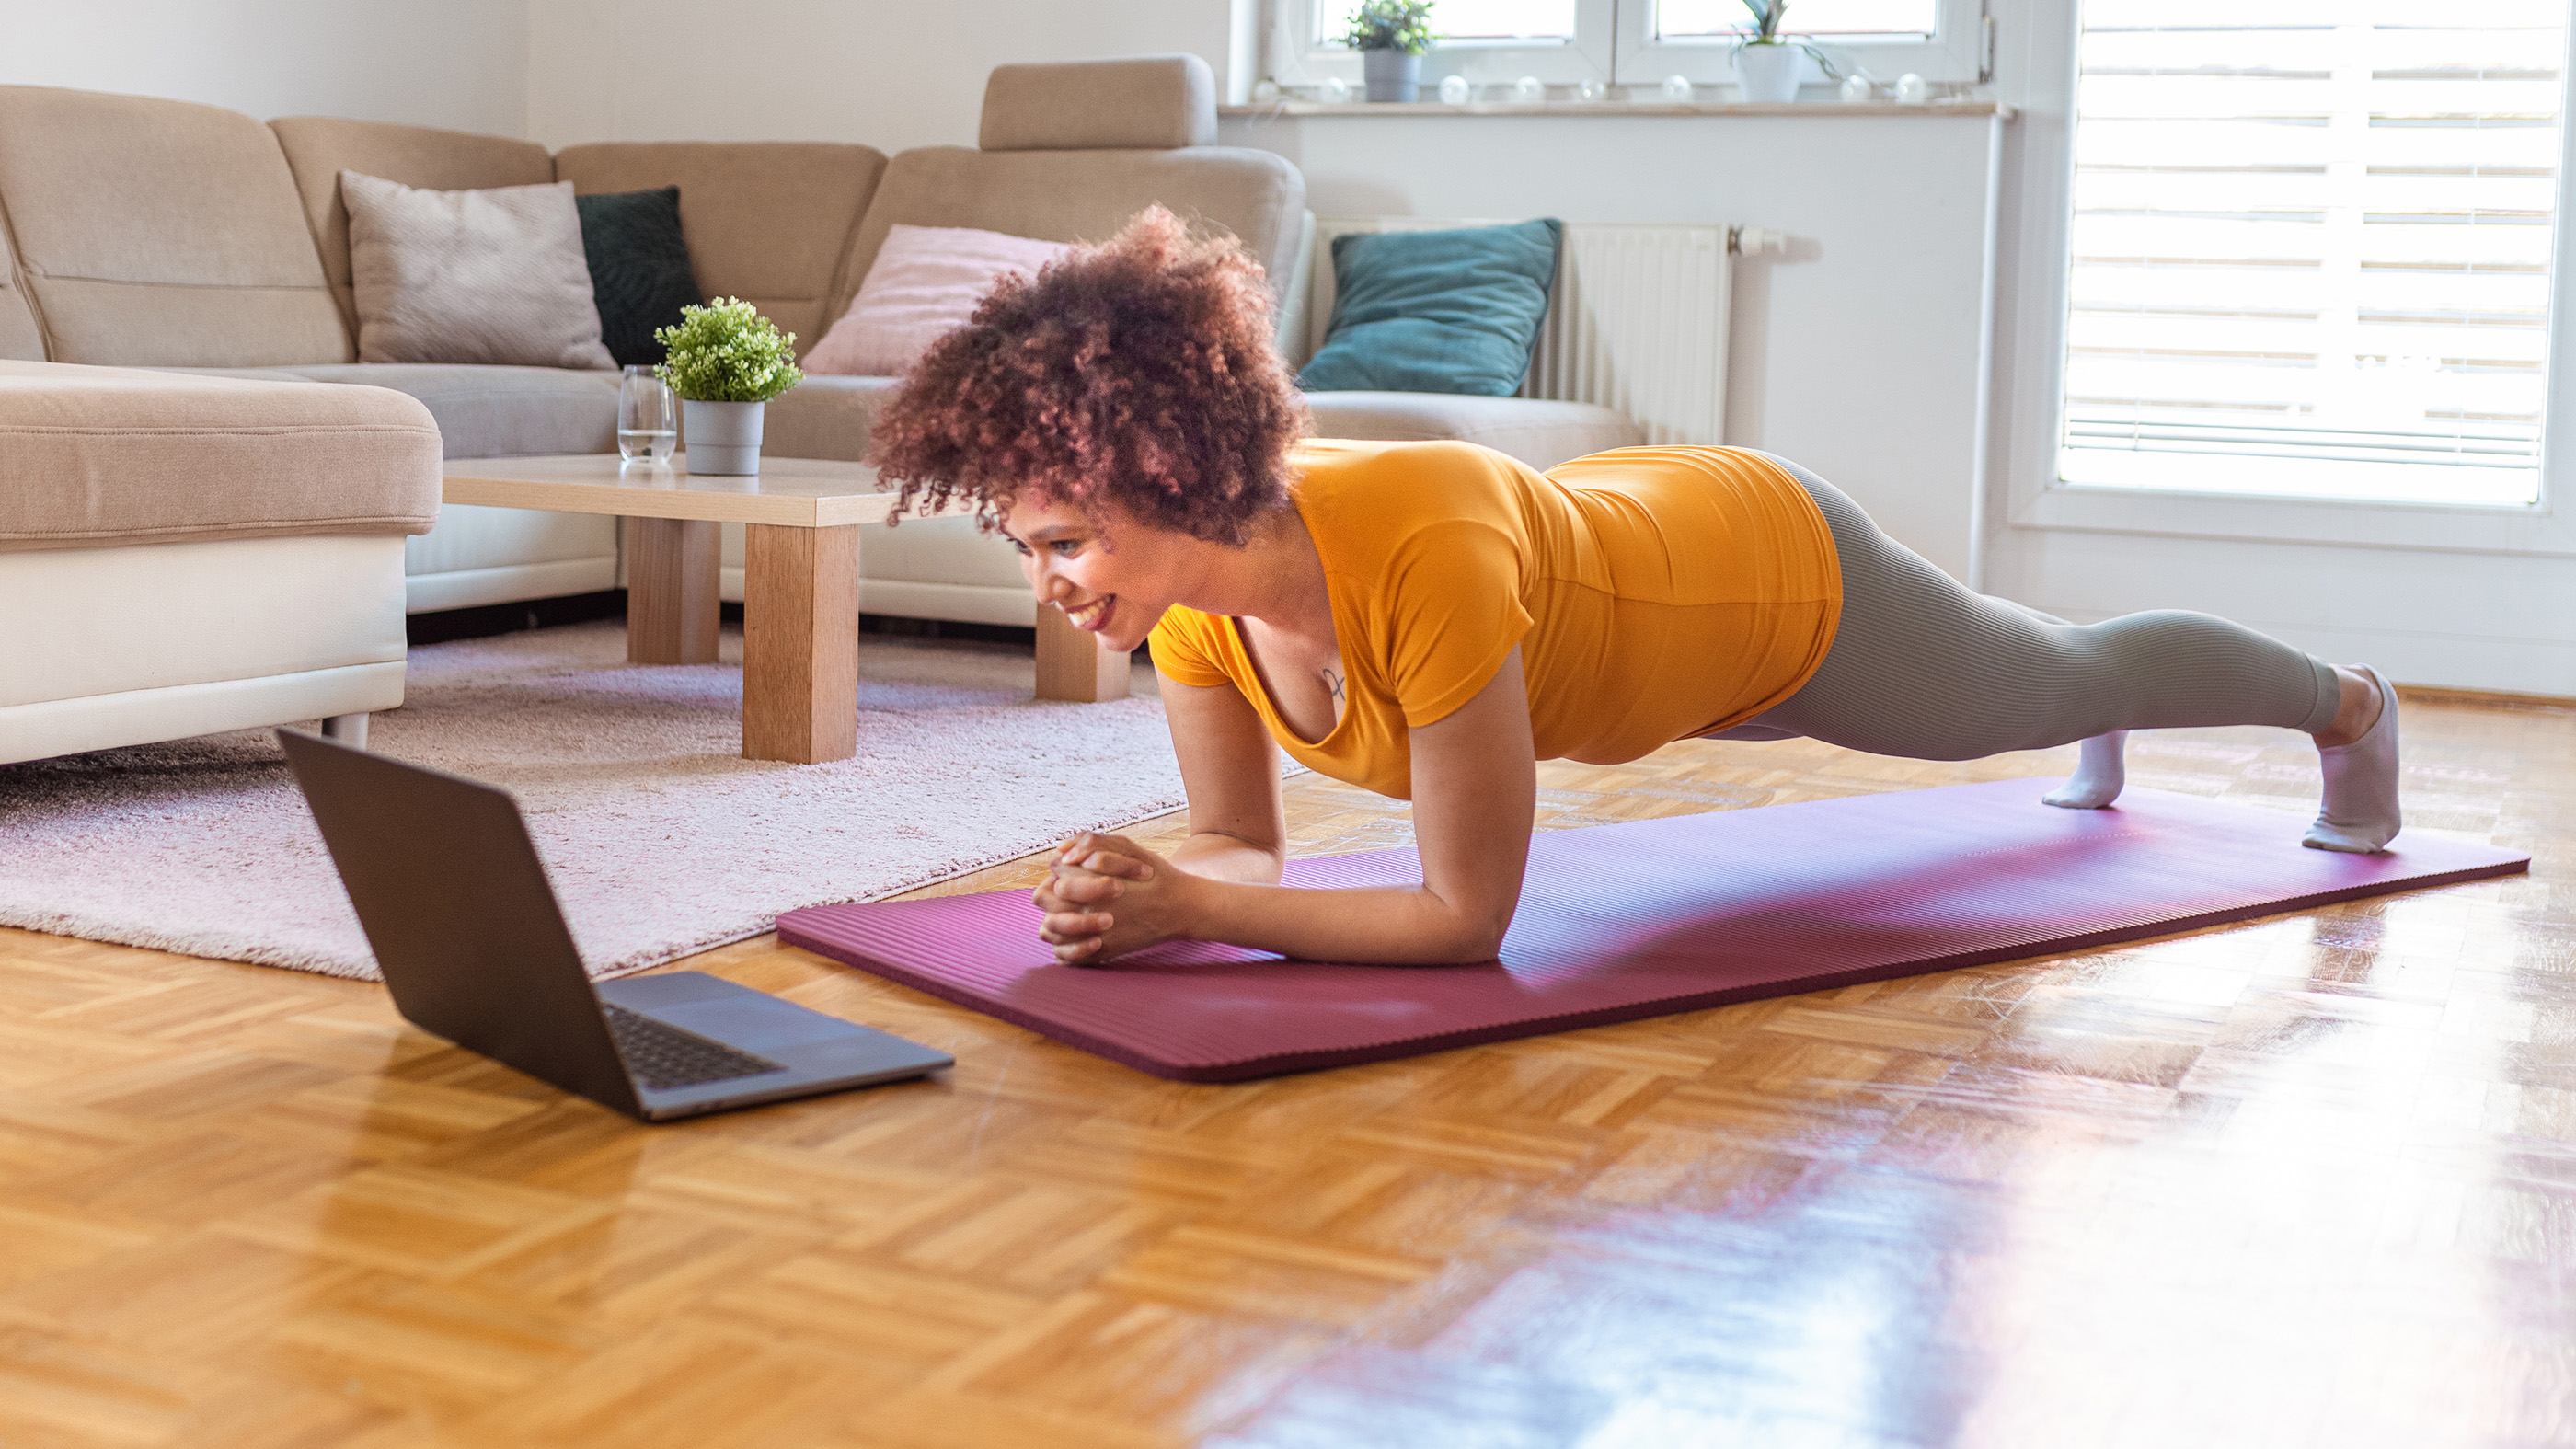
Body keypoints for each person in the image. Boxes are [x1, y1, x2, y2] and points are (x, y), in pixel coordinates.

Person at [868, 209, 2402, 968]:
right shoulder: (1188, 603)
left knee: (2063, 676)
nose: (1051, 582)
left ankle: (2347, 704)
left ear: (1168, 478)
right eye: (1028, 547)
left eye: (1066, 540)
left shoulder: (1420, 544)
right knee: (2054, 674)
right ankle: (2108, 720)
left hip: (1767, 582)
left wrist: (1201, 910)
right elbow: (1231, 842)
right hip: (1618, 582)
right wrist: (1160, 897)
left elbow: (1471, 918)